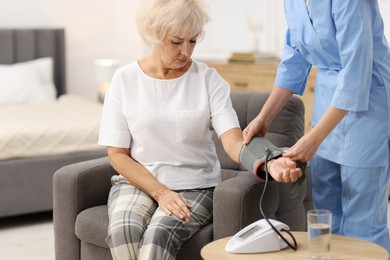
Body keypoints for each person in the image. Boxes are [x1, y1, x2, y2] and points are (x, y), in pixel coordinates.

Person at [98, 0, 303, 259]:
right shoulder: (124, 79)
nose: (186, 51)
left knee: (157, 238)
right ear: (154, 35)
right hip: (138, 182)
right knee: (122, 233)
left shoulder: (208, 80)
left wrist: (268, 163)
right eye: (176, 42)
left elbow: (233, 141)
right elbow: (117, 153)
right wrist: (160, 192)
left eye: (193, 41)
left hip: (195, 185)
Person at [243, 0, 390, 254]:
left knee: (362, 219)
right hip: (327, 101)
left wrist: (314, 139)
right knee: (325, 213)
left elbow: (356, 73)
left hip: (368, 103)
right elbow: (294, 59)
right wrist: (264, 117)